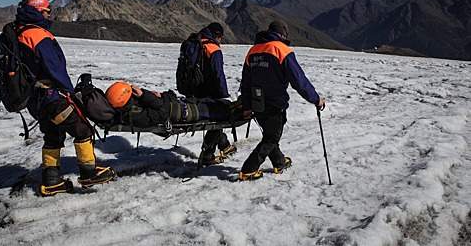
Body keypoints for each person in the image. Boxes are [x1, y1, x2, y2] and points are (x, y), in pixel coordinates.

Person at [16, 0, 115, 196]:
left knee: (53, 136)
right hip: (52, 97)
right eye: (46, 11)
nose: (49, 15)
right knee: (83, 129)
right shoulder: (37, 34)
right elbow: (55, 68)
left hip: (35, 99)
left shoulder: (18, 32)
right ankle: (89, 172)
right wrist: (70, 94)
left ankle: (51, 181)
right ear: (37, 10)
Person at [239, 20, 325, 181]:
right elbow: (299, 80)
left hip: (257, 102)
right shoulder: (282, 50)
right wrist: (316, 99)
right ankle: (248, 169)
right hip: (274, 102)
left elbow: (245, 82)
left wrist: (247, 105)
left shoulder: (253, 50)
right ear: (282, 34)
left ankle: (279, 162)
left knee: (269, 135)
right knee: (271, 138)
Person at [191, 23, 237, 166]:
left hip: (194, 90)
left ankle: (223, 144)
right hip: (208, 92)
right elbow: (218, 74)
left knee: (215, 120)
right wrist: (224, 94)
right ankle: (208, 154)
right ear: (217, 36)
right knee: (218, 117)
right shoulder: (213, 49)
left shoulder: (195, 43)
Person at [105, 82, 233, 129]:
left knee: (208, 101)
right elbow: (162, 113)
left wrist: (145, 94)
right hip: (179, 112)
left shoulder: (129, 104)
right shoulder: (136, 114)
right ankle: (236, 110)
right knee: (216, 110)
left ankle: (231, 106)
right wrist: (145, 95)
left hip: (175, 103)